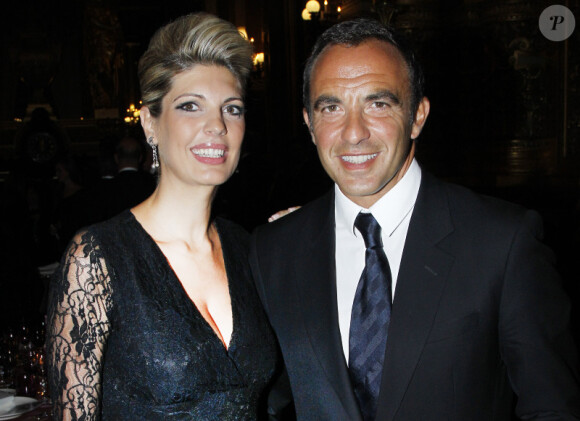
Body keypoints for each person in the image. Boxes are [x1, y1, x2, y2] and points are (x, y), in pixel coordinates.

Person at [249, 18, 580, 420]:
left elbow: (552, 408)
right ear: (309, 123)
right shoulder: (275, 250)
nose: (353, 133)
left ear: (418, 115)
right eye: (332, 107)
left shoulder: (503, 243)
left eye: (378, 103)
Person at [46, 13, 278, 420]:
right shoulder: (97, 258)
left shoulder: (249, 247)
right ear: (150, 123)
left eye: (233, 109)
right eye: (190, 106)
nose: (216, 126)